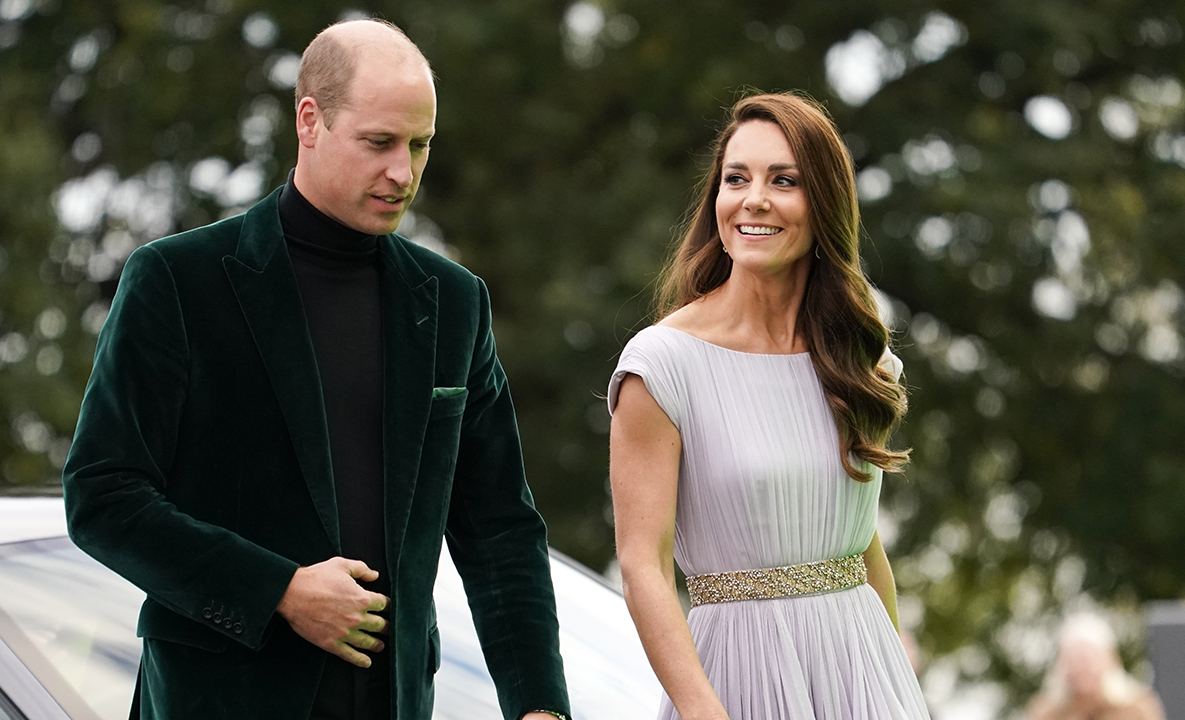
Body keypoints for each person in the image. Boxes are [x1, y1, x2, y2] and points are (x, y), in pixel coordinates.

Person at [63, 18, 570, 720]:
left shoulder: (456, 303)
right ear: (310, 121)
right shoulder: (178, 281)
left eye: (420, 144)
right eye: (379, 142)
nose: (403, 172)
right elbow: (103, 496)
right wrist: (279, 590)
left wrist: (540, 705)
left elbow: (500, 527)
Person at [607, 92, 929, 719]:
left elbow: (863, 548)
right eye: (737, 179)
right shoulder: (662, 364)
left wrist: (900, 692)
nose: (754, 199)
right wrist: (704, 713)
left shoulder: (861, 359)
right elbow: (642, 566)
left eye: (784, 180)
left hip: (864, 679)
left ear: (824, 203)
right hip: (736, 682)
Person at [1025, 613, 1165, 720]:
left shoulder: (1138, 708)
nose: (1081, 668)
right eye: (1073, 659)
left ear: (1109, 660)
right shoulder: (1045, 712)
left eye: (1087, 658)